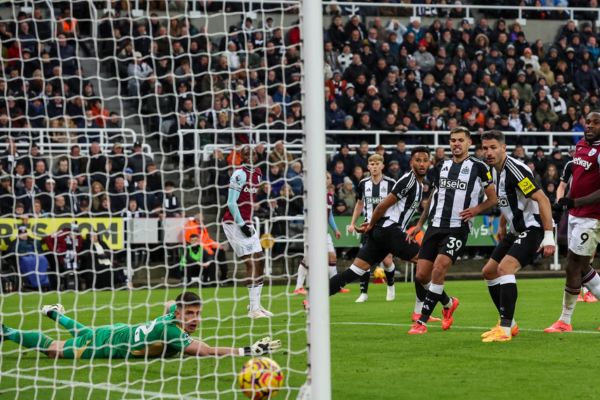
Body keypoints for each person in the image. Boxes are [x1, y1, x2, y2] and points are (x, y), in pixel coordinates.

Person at [1, 292, 281, 359]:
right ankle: (8, 332)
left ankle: (53, 312)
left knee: (84, 331)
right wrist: (248, 350)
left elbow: (169, 304)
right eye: (191, 313)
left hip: (119, 331)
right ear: (181, 314)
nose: (196, 318)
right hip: (108, 342)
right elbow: (206, 350)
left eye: (198, 313)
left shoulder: (172, 317)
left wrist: (178, 308)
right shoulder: (171, 331)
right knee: (55, 349)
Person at [408, 127, 497, 334]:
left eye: (460, 140)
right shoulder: (442, 166)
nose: (456, 144)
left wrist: (475, 210)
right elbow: (433, 197)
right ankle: (448, 303)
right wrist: (421, 224)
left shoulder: (479, 167)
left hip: (457, 228)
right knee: (422, 275)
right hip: (435, 225)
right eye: (453, 140)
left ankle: (421, 321)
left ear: (468, 143)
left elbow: (493, 199)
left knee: (439, 268)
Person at [480, 130, 556, 342]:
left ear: (503, 148)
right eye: (485, 148)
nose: (489, 152)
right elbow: (508, 198)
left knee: (505, 268)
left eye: (493, 147)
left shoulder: (515, 170)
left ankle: (504, 329)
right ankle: (509, 324)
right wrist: (502, 224)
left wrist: (548, 236)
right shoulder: (494, 170)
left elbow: (542, 200)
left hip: (533, 228)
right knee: (489, 272)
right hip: (515, 230)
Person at [328, 147, 431, 297]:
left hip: (379, 230)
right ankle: (441, 303)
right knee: (426, 262)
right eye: (418, 160)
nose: (422, 164)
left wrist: (419, 225)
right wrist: (367, 224)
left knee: (355, 270)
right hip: (387, 229)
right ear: (411, 163)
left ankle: (314, 299)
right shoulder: (407, 181)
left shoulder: (408, 184)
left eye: (425, 161)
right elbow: (379, 207)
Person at [545, 112, 600, 333]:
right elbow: (576, 178)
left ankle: (564, 321)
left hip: (592, 217)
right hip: (576, 214)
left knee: (572, 267)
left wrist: (575, 200)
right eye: (588, 122)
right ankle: (564, 321)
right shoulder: (580, 146)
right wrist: (564, 204)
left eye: (596, 123)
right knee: (582, 266)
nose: (590, 126)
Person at [222, 146, 271, 318]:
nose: (250, 156)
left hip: (248, 222)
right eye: (246, 154)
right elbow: (231, 202)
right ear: (242, 157)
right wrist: (242, 224)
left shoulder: (258, 173)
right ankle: (253, 309)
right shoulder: (239, 174)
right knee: (250, 263)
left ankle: (256, 306)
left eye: (253, 154)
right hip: (233, 223)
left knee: (260, 261)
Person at [348, 154, 397, 303]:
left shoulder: (391, 183)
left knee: (387, 261)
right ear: (368, 166)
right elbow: (360, 204)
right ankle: (364, 293)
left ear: (382, 166)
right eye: (371, 164)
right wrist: (352, 222)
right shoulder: (363, 183)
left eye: (377, 164)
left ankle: (390, 285)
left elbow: (396, 204)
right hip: (368, 227)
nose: (374, 166)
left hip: (386, 226)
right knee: (364, 260)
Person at [292, 174, 345, 296]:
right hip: (312, 232)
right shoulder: (313, 194)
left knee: (332, 257)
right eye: (326, 177)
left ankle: (335, 285)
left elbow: (329, 214)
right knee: (308, 259)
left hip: (324, 233)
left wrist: (335, 229)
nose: (328, 179)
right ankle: (298, 287)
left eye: (329, 178)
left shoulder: (330, 196)